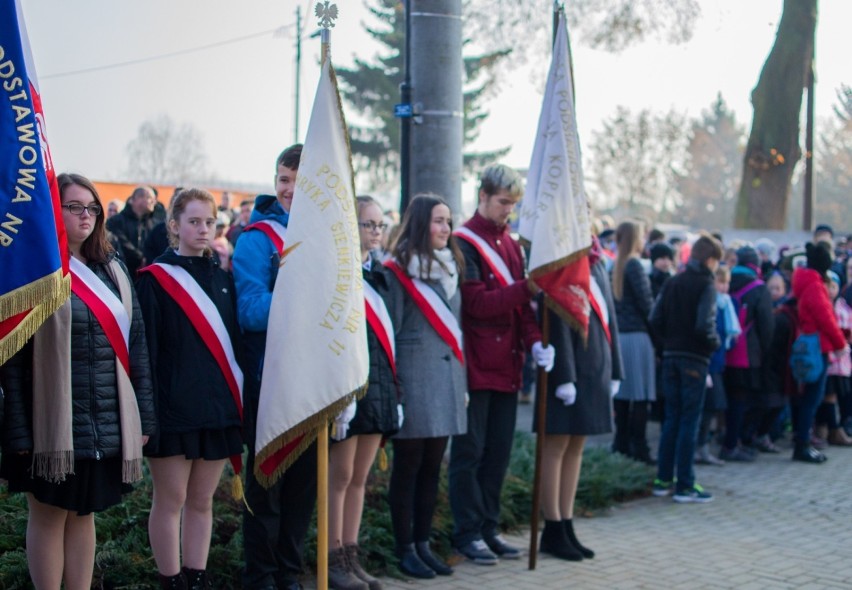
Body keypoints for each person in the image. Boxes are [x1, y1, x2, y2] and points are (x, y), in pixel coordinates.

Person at [1, 173, 156, 589]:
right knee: (50, 513)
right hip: (47, 422)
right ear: (55, 209)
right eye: (74, 206)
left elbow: (136, 348)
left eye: (92, 207)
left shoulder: (114, 270)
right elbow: (12, 361)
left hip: (102, 418)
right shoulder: (34, 273)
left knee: (84, 513)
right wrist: (17, 431)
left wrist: (144, 419)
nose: (85, 215)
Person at [136, 188, 244, 589]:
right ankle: (171, 580)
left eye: (209, 222)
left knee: (202, 501)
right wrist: (147, 414)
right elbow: (145, 353)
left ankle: (196, 578)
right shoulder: (155, 281)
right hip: (172, 411)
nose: (202, 229)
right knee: (171, 500)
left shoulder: (222, 278)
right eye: (194, 221)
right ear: (174, 226)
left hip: (216, 410)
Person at [448, 164, 554, 566]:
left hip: (508, 365)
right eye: (502, 202)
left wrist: (537, 341)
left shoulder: (511, 244)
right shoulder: (465, 243)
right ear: (483, 197)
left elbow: (522, 308)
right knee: (469, 454)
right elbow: (476, 303)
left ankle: (488, 528)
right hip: (477, 364)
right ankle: (467, 532)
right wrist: (524, 288)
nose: (508, 210)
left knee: (498, 455)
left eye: (513, 204)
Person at [232, 144, 318, 590]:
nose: (288, 189)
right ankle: (261, 577)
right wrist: (299, 296)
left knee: (305, 490)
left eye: (299, 181)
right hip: (271, 381)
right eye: (283, 179)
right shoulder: (256, 239)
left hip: (315, 381)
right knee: (267, 490)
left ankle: (289, 574)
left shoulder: (327, 238)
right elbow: (249, 311)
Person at [384, 194, 467, 579]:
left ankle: (423, 543)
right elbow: (392, 331)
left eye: (448, 222)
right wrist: (396, 388)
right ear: (420, 223)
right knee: (409, 466)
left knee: (433, 467)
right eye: (438, 221)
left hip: (447, 379)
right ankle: (405, 548)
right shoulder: (398, 269)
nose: (445, 229)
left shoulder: (451, 266)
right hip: (414, 381)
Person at [326, 196, 403, 590]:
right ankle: (332, 557)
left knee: (360, 479)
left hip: (379, 390)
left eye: (379, 225)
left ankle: (351, 556)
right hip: (348, 392)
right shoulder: (337, 272)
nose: (375, 232)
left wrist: (396, 394)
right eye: (367, 224)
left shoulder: (382, 276)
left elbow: (390, 340)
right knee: (338, 478)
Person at [535, 237, 623, 561]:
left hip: (594, 369)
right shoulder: (558, 260)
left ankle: (567, 522)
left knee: (576, 448)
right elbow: (556, 320)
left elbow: (609, 319)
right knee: (556, 447)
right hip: (568, 371)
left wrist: (616, 370)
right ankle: (553, 526)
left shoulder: (597, 262)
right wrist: (564, 376)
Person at [649, 233, 723, 503]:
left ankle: (663, 479)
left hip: (670, 357)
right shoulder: (706, 284)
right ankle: (685, 484)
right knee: (689, 421)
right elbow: (705, 325)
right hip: (694, 358)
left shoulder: (673, 281)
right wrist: (713, 344)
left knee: (672, 418)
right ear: (712, 260)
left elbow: (655, 318)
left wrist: (665, 345)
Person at [790, 242, 848, 463]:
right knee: (812, 398)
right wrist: (840, 343)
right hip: (818, 346)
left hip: (812, 343)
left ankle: (804, 440)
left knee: (810, 396)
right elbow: (826, 318)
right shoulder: (815, 286)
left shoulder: (806, 282)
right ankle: (803, 443)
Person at [720, 246, 775, 462]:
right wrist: (765, 351)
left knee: (727, 400)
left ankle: (726, 439)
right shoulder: (758, 288)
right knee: (740, 401)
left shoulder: (724, 281)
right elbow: (766, 326)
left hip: (723, 351)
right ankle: (732, 443)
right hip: (747, 354)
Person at [611, 221, 656, 465]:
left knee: (622, 395)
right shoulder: (635, 265)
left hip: (620, 338)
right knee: (639, 397)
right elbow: (647, 305)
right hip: (637, 338)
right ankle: (639, 446)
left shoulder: (614, 265)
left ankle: (621, 443)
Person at [107, 185, 164, 277]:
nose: (154, 202)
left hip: (147, 276)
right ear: (138, 199)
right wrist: (141, 259)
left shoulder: (154, 224)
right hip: (122, 274)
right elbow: (121, 243)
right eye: (150, 198)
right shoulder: (116, 221)